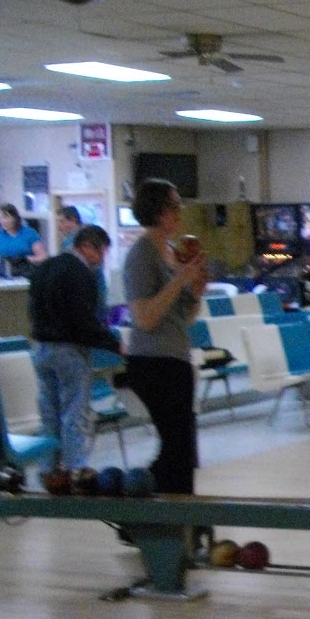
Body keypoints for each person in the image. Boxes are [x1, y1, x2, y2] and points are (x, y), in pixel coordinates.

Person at [122, 179, 207, 496]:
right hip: (152, 363)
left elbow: (183, 316)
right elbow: (144, 318)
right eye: (175, 205)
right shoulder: (141, 255)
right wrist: (181, 279)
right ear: (159, 211)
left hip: (175, 359)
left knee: (183, 448)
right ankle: (140, 502)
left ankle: (179, 512)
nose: (180, 211)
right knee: (176, 446)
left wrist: (196, 291)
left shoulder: (170, 253)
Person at [27, 225, 120, 472]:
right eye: (101, 253)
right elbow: (84, 323)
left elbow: (32, 312)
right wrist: (114, 343)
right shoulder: (80, 274)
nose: (100, 261)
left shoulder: (44, 267)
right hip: (69, 351)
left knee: (49, 416)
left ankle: (48, 472)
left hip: (40, 349)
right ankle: (75, 471)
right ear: (87, 247)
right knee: (74, 415)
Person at [0, 203, 46, 279]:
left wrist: (28, 259)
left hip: (25, 274)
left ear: (15, 218)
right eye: (0, 218)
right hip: (1, 276)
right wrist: (0, 262)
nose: (2, 221)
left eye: (5, 217)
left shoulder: (30, 233)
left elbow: (43, 257)